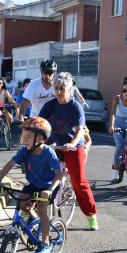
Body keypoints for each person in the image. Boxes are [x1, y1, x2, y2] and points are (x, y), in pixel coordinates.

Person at [0, 117, 62, 253]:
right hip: (33, 184)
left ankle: (46, 244)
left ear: (40, 138)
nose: (24, 139)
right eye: (23, 136)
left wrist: (49, 190)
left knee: (42, 209)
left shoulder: (48, 152)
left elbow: (59, 174)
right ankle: (36, 221)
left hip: (48, 186)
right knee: (23, 204)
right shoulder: (25, 151)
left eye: (28, 137)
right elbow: (10, 164)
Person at [39, 72, 99, 231]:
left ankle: (91, 215)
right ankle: (30, 207)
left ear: (69, 89)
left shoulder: (75, 107)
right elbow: (41, 123)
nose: (58, 92)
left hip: (73, 147)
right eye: (56, 88)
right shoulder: (50, 105)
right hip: (53, 145)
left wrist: (72, 143)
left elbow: (80, 130)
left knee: (79, 182)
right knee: (40, 175)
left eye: (62, 89)